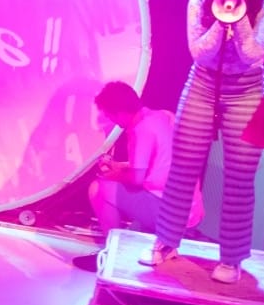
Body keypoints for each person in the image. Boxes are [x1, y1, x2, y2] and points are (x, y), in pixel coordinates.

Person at [145, 0, 264, 283]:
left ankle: (232, 259)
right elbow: (199, 52)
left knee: (240, 178)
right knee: (182, 169)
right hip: (203, 84)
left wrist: (239, 16)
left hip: (246, 90)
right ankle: (166, 242)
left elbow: (253, 54)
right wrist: (221, 17)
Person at [71, 81, 203, 272]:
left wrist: (114, 175)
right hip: (189, 211)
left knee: (98, 188)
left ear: (119, 112)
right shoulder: (162, 116)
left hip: (172, 217)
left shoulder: (141, 130)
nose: (110, 120)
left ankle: (111, 254)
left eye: (109, 115)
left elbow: (137, 179)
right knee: (113, 185)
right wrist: (120, 167)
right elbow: (158, 165)